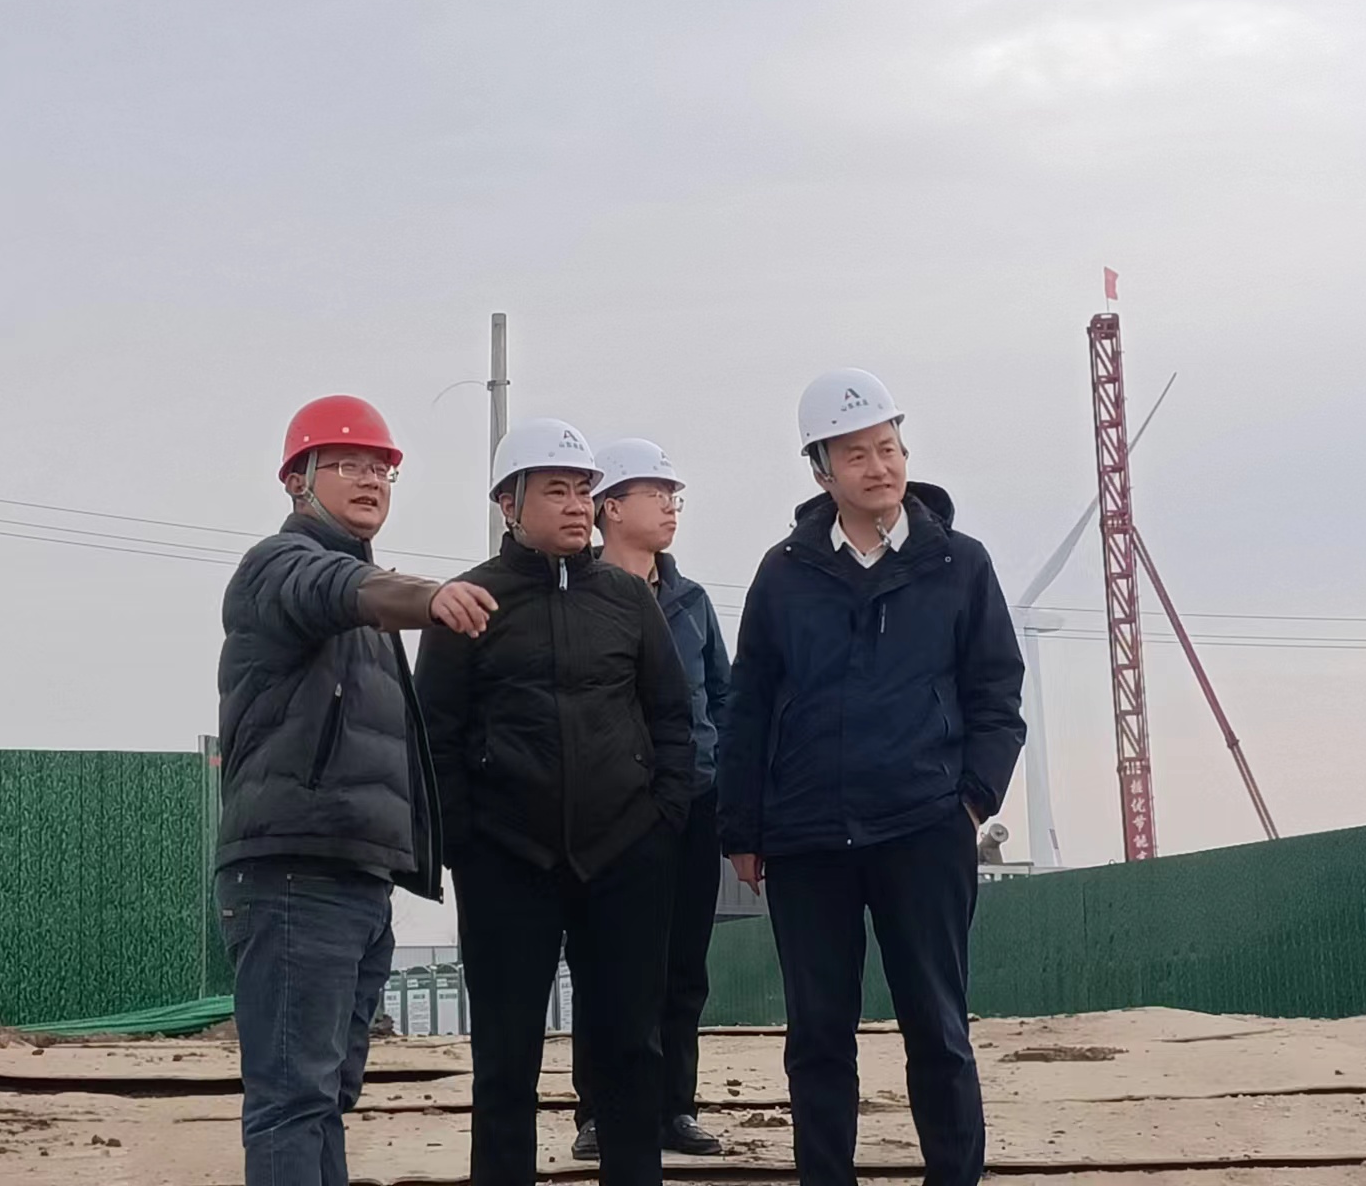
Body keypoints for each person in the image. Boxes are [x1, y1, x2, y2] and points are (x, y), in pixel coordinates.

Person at [718, 369, 1026, 1186]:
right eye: (856, 454)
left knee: (938, 1026)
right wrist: (742, 828)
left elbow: (996, 691)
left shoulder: (959, 564)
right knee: (818, 1034)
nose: (879, 467)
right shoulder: (784, 573)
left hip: (924, 827)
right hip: (807, 834)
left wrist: (972, 800)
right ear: (821, 470)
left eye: (888, 448)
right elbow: (748, 703)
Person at [215, 395, 496, 1186]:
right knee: (293, 1097)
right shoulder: (281, 567)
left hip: (357, 875)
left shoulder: (366, 609)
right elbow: (332, 585)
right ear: (296, 481)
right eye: (346, 464)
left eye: (382, 469)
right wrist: (427, 597)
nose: (370, 480)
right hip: (294, 872)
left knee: (327, 1094)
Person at [415, 418, 693, 1186]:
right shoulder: (471, 602)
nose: (576, 506)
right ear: (509, 503)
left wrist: (662, 822)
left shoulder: (628, 600)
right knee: (506, 1058)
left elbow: (672, 717)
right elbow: (435, 732)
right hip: (508, 861)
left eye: (583, 491)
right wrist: (465, 842)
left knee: (630, 1049)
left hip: (625, 856)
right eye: (556, 491)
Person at [570, 439, 730, 1162]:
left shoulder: (692, 602)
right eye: (655, 494)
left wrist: (718, 777)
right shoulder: (577, 594)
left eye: (674, 495)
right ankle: (599, 1112)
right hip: (611, 811)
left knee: (683, 967)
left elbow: (722, 697)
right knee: (605, 965)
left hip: (692, 803)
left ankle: (674, 1108)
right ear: (611, 507)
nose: (670, 507)